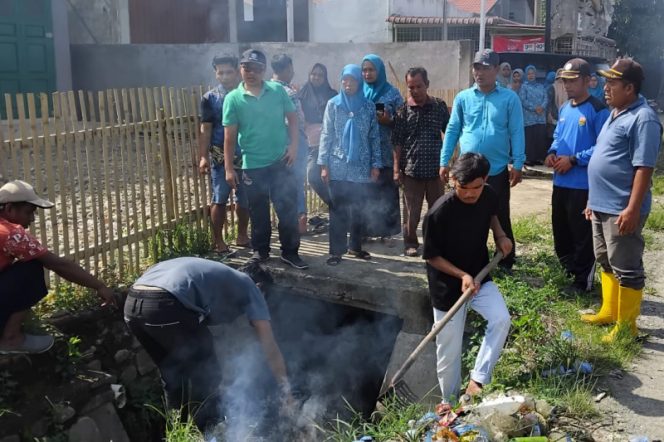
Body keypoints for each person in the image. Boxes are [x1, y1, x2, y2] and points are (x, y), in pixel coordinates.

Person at [124, 258, 292, 431]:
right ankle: (209, 432)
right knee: (206, 374)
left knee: (173, 375)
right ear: (260, 287)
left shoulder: (216, 277)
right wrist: (286, 391)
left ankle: (178, 432)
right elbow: (269, 346)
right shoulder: (249, 286)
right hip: (166, 304)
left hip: (132, 305)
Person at [582, 58, 662, 342]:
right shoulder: (615, 113)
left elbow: (644, 168)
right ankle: (609, 311)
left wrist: (631, 208)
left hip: (622, 208)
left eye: (611, 83)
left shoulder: (644, 119)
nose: (605, 88)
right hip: (602, 205)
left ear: (629, 87)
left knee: (626, 266)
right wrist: (593, 199)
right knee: (605, 260)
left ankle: (627, 327)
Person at [423, 153, 513, 402]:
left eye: (476, 187)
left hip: (479, 274)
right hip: (447, 286)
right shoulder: (438, 213)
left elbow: (492, 215)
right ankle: (449, 402)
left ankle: (478, 379)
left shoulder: (489, 195)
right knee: (448, 350)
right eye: (464, 188)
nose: (470, 194)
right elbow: (431, 256)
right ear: (452, 180)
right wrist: (462, 275)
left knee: (501, 319)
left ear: (485, 180)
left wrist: (500, 235)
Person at [0, 180, 115, 354]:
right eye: (29, 212)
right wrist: (99, 286)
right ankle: (11, 338)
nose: (31, 219)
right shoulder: (10, 233)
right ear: (9, 209)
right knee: (31, 267)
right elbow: (58, 264)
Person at [440, 49, 525, 270]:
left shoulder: (509, 98)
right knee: (465, 215)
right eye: (477, 67)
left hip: (496, 169)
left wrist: (517, 164)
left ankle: (506, 259)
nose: (480, 72)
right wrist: (444, 161)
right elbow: (452, 130)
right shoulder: (463, 98)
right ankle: (467, 256)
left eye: (486, 67)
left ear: (496, 70)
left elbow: (516, 131)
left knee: (499, 212)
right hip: (467, 169)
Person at [222, 49, 308, 270]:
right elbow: (229, 137)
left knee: (286, 209)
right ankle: (261, 252)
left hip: (281, 161)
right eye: (246, 67)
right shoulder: (233, 98)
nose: (250, 72)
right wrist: (229, 169)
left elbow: (293, 118)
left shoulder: (278, 91)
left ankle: (290, 252)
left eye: (256, 68)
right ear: (241, 69)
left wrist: (294, 146)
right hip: (253, 165)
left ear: (263, 70)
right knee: (258, 212)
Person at [545, 59, 609, 292]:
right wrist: (552, 152)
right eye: (565, 81)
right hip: (560, 182)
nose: (567, 86)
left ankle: (583, 281)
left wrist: (573, 159)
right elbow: (558, 137)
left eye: (573, 81)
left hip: (583, 184)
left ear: (587, 80)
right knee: (561, 229)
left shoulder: (598, 110)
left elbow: (603, 147)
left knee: (582, 233)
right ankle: (568, 271)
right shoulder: (564, 109)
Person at [318, 64, 381, 266]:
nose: (348, 84)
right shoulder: (333, 104)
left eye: (352, 80)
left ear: (359, 82)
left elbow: (374, 137)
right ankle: (336, 251)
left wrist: (375, 163)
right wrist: (323, 164)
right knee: (338, 209)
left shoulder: (368, 106)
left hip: (362, 165)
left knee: (360, 208)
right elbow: (326, 135)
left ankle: (355, 246)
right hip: (338, 165)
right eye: (344, 79)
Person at [392, 67, 449, 257]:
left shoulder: (440, 106)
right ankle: (410, 243)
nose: (415, 90)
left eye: (419, 86)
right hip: (411, 170)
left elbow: (449, 134)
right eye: (411, 87)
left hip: (435, 170)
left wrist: (448, 162)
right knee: (411, 212)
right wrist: (396, 169)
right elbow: (397, 142)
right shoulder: (402, 111)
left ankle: (435, 243)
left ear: (427, 85)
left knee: (438, 210)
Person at [198, 54, 250, 257]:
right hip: (220, 154)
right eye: (221, 72)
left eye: (229, 72)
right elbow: (205, 129)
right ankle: (218, 240)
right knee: (219, 198)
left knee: (244, 198)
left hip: (245, 153)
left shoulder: (246, 94)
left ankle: (242, 236)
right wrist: (203, 156)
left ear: (237, 71)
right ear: (215, 74)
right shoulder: (210, 98)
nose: (225, 76)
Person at [361, 54, 403, 243]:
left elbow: (404, 122)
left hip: (386, 149)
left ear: (379, 71)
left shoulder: (392, 93)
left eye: (371, 69)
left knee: (386, 190)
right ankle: (367, 229)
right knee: (367, 190)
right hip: (364, 150)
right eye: (364, 70)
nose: (367, 73)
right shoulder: (358, 91)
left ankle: (388, 230)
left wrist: (389, 120)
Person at [270, 54, 309, 235]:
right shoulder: (289, 92)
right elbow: (297, 120)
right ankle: (299, 221)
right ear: (287, 69)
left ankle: (284, 221)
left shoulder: (266, 89)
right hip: (293, 140)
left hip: (273, 143)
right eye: (291, 68)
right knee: (296, 180)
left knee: (279, 184)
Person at [298, 63, 337, 210]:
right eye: (313, 74)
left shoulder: (333, 95)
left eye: (320, 75)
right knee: (313, 175)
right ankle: (335, 206)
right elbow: (298, 118)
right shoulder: (301, 95)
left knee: (332, 178)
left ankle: (341, 211)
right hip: (311, 145)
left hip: (331, 144)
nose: (316, 77)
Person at [519, 65, 548, 165]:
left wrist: (542, 107)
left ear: (536, 74)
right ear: (526, 75)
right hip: (529, 118)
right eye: (529, 74)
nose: (531, 76)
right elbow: (523, 100)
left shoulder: (541, 86)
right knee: (530, 138)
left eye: (533, 73)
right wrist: (535, 108)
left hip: (540, 117)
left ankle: (539, 158)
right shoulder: (524, 86)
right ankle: (529, 158)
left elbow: (546, 98)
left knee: (540, 138)